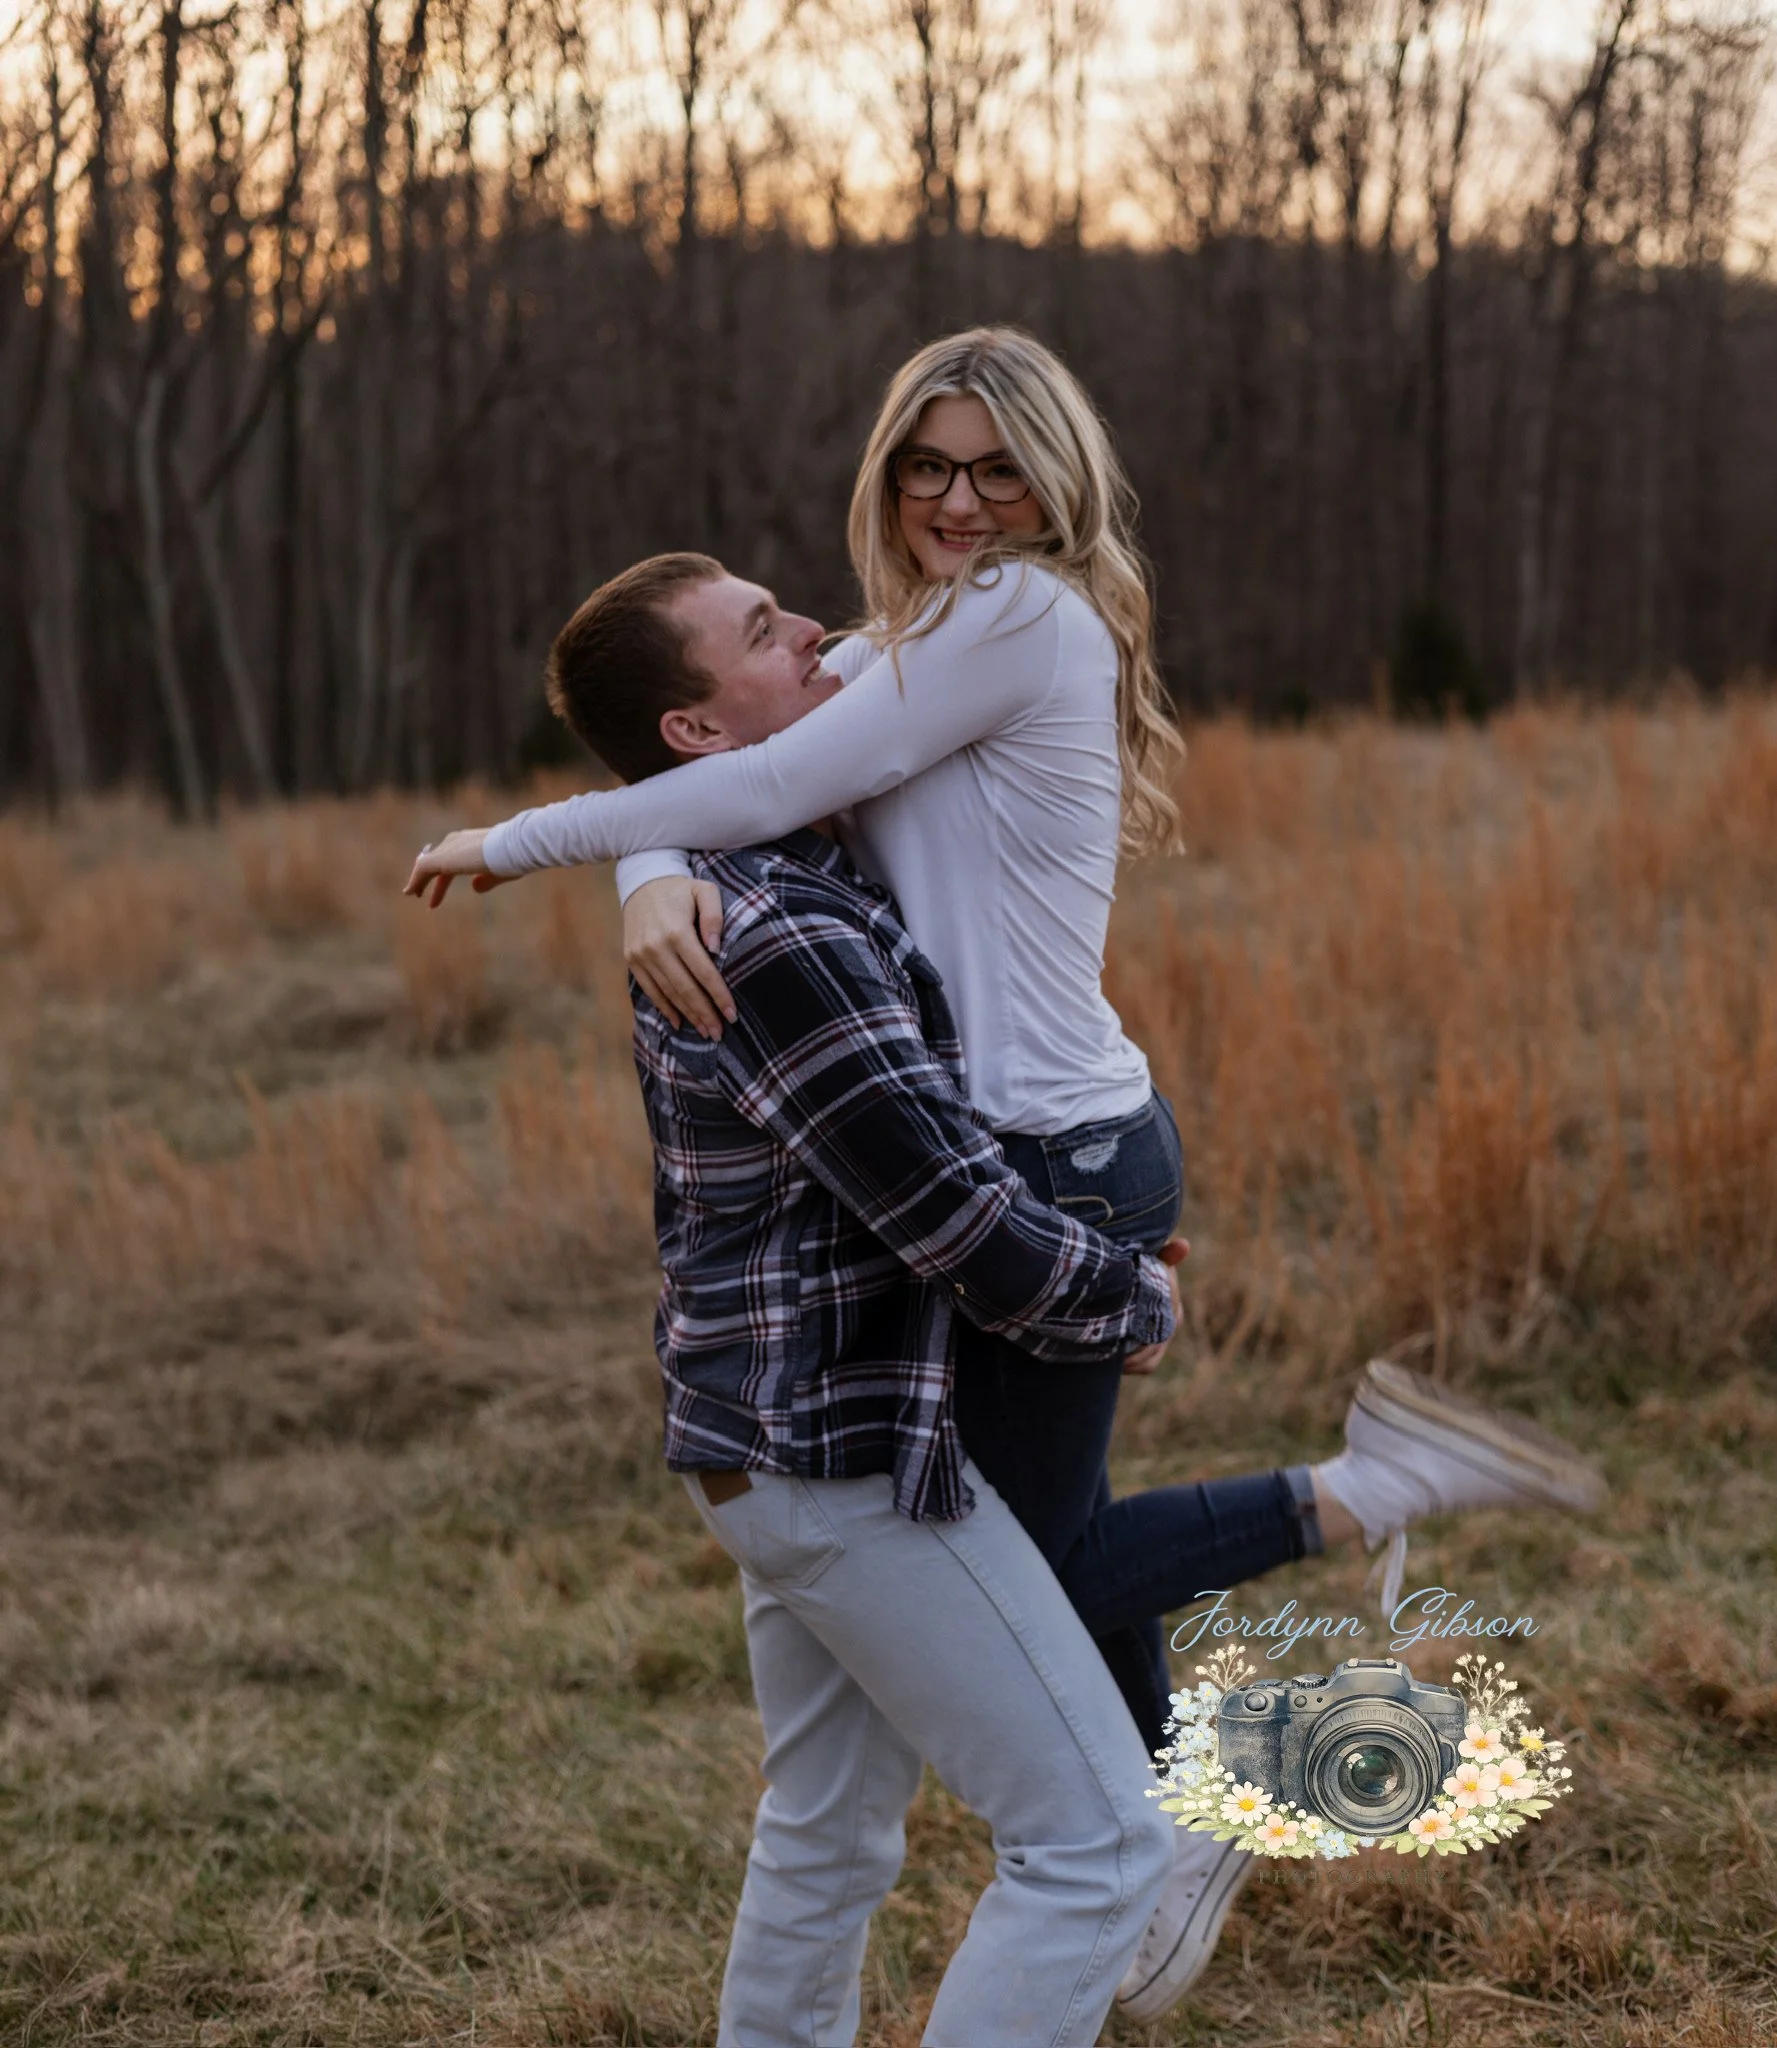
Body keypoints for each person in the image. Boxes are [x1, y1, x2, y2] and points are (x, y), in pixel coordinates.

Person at [405, 333, 1610, 2023]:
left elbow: (752, 771)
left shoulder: (1012, 617)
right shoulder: (898, 652)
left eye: (996, 467)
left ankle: (1214, 1749)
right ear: (886, 475)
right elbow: (744, 778)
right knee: (1006, 1592)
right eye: (928, 467)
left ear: (1058, 476)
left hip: (1043, 1154)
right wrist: (647, 862)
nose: (961, 501)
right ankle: (1299, 1592)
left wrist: (534, 846)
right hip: (995, 1173)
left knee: (1019, 1580)